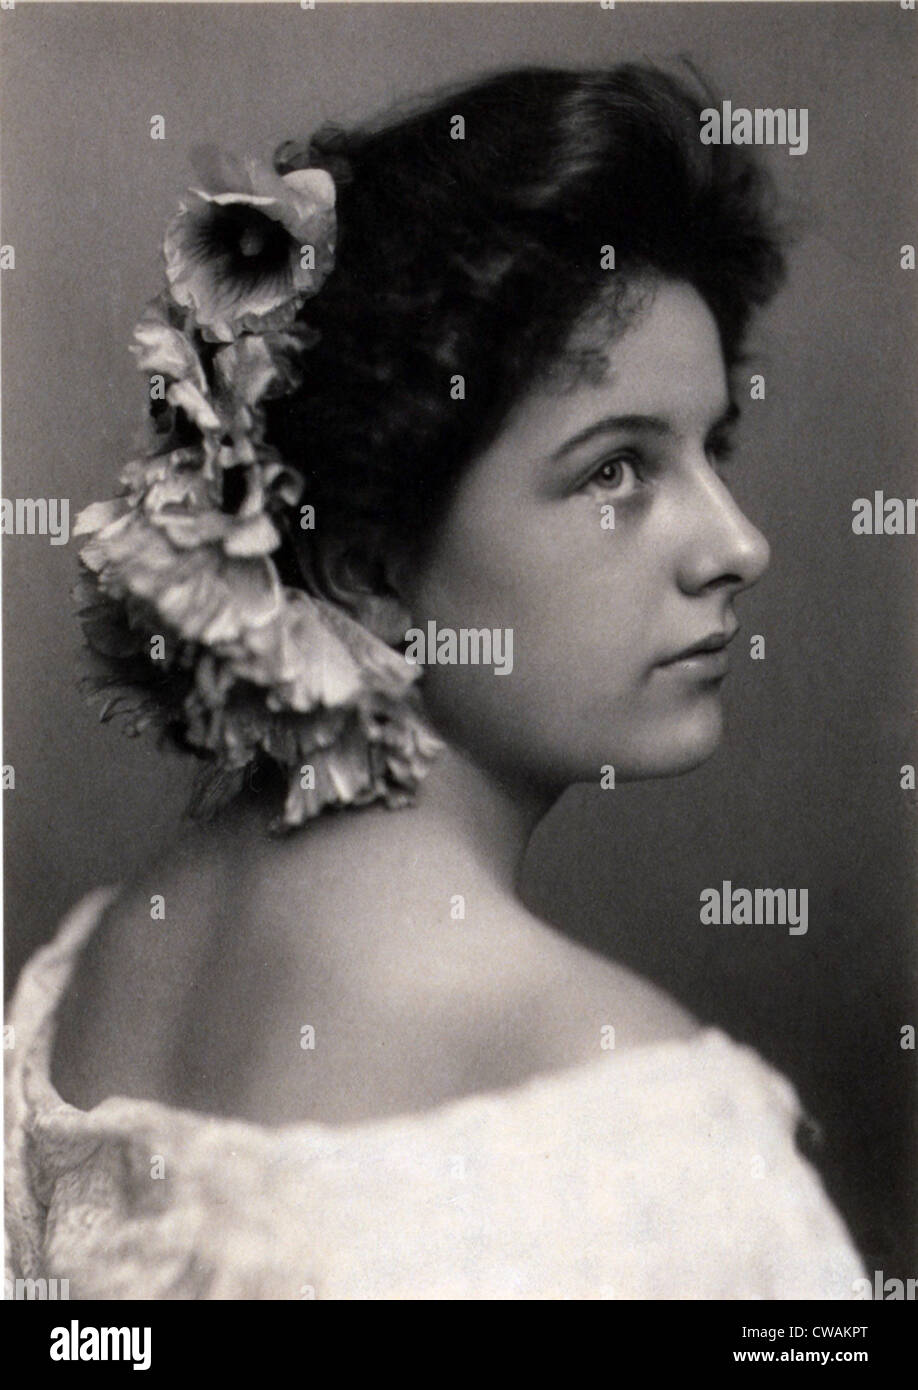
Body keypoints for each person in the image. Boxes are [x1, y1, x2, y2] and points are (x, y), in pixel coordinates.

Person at [5, 64, 866, 1299]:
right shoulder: (636, 1121)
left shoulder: (91, 971)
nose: (737, 545)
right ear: (365, 565)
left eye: (710, 448)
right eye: (616, 470)